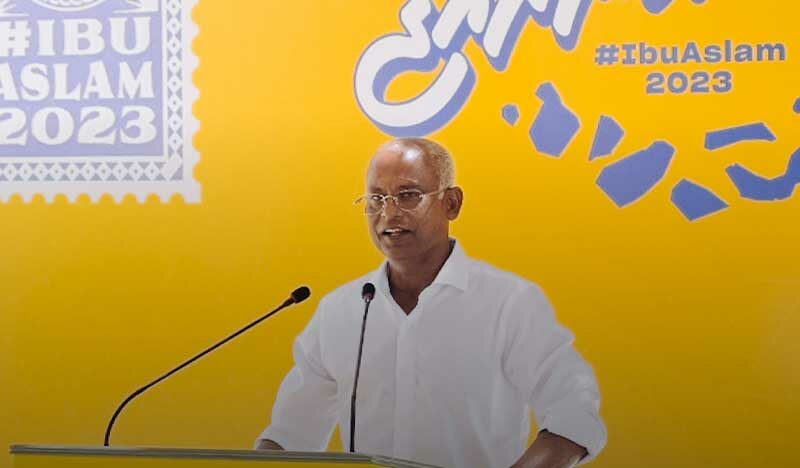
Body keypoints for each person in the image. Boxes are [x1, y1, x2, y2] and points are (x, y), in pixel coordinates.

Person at [255, 138, 607, 468]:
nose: (388, 214)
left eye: (407, 195)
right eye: (376, 199)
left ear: (451, 203)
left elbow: (573, 413)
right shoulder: (340, 311)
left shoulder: (509, 302)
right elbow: (289, 435)